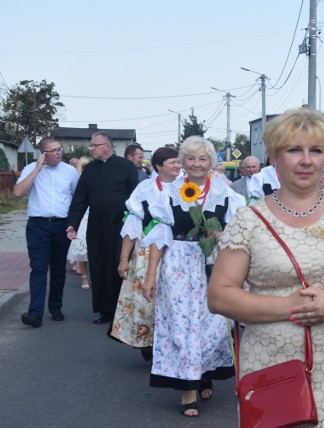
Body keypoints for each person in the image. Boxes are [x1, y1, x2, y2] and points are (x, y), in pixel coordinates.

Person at [208, 107, 324, 426]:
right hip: (270, 369)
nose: (306, 160)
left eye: (316, 150)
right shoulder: (249, 220)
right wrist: (289, 306)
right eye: (294, 150)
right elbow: (220, 296)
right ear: (274, 157)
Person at [142, 136, 244, 417]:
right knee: (181, 326)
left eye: (203, 159)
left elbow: (241, 232)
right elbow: (159, 235)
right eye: (191, 158)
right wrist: (151, 276)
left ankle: (204, 372)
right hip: (178, 265)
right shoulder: (168, 193)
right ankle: (187, 388)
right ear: (183, 162)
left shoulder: (226, 194)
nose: (197, 164)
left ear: (211, 163)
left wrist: (223, 235)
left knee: (213, 326)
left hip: (213, 265)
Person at [110, 147, 181, 362]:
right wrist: (123, 259)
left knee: (174, 298)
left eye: (178, 162)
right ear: (158, 166)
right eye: (172, 163)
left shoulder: (188, 187)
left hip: (178, 248)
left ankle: (173, 342)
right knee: (146, 297)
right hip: (147, 249)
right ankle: (147, 339)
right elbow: (132, 225)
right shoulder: (145, 188)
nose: (177, 166)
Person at [66, 131, 139, 325]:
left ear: (107, 146)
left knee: (119, 265)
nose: (91, 149)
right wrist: (72, 223)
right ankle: (104, 310)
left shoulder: (126, 167)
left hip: (121, 226)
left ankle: (121, 309)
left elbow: (136, 198)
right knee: (98, 265)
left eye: (94, 146)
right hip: (97, 226)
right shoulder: (90, 169)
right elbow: (80, 199)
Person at [13, 137, 79, 327]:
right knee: (39, 268)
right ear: (43, 154)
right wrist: (36, 169)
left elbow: (77, 200)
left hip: (61, 225)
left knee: (58, 270)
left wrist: (74, 224)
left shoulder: (70, 171)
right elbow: (17, 193)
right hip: (38, 226)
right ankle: (35, 314)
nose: (59, 152)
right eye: (54, 150)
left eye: (60, 149)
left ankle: (55, 307)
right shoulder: (31, 169)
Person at [66, 156, 92, 290]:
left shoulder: (96, 179)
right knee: (82, 249)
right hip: (83, 218)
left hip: (95, 217)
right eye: (84, 166)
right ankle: (84, 277)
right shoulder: (77, 180)